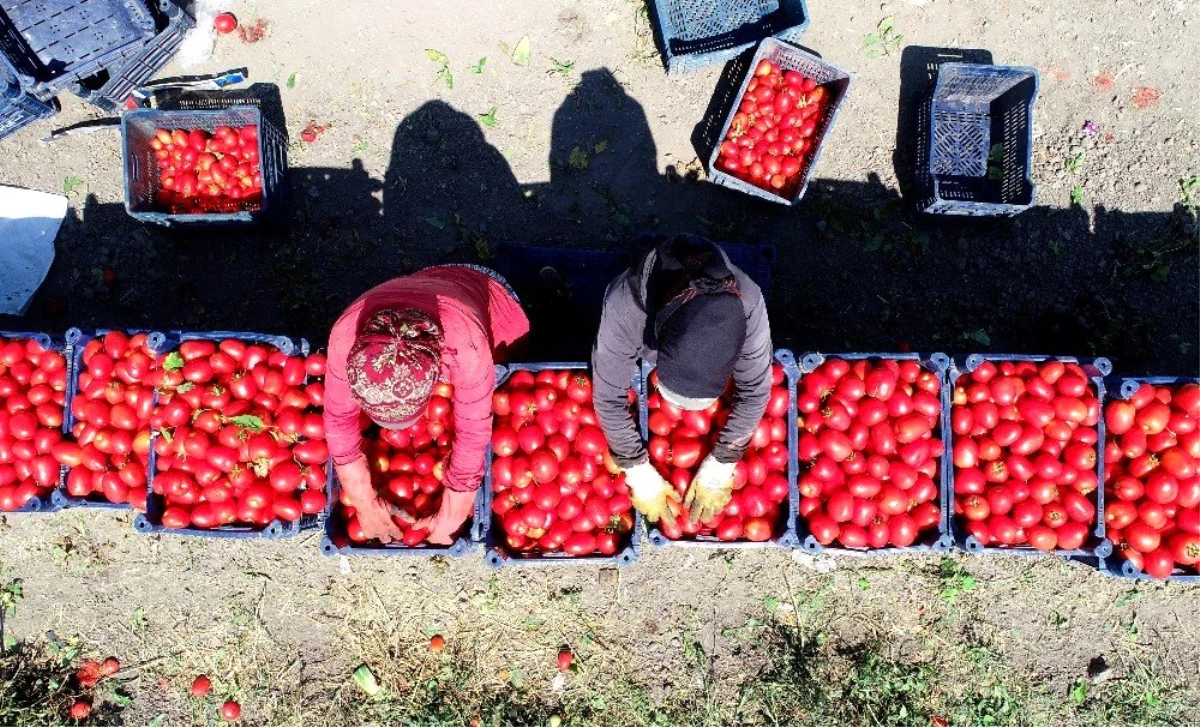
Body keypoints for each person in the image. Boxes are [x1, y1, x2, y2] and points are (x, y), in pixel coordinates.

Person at [324, 266, 529, 545]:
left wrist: (452, 515)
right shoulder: (347, 333)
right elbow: (338, 420)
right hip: (433, 280)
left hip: (493, 296)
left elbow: (472, 434)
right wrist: (363, 501)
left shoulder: (466, 347)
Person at [592, 235, 773, 525]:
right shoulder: (625, 308)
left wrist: (722, 463)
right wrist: (636, 471)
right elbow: (608, 397)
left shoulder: (748, 303)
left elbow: (754, 392)